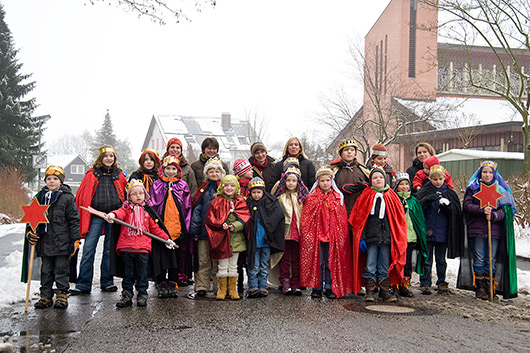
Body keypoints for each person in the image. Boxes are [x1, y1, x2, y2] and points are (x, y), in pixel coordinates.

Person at [106, 180, 175, 308]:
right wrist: (112, 215)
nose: (138, 196)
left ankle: (142, 295)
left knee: (142, 274)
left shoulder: (147, 212)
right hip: (126, 248)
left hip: (143, 249)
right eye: (134, 194)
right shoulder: (126, 210)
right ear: (129, 196)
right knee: (128, 274)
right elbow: (119, 214)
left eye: (140, 193)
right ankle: (127, 295)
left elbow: (156, 229)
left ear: (145, 195)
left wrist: (166, 239)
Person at [71, 145, 127, 295]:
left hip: (112, 217)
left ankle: (107, 282)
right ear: (100, 158)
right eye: (106, 156)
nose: (109, 158)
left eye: (111, 156)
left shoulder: (119, 175)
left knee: (109, 251)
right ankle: (83, 283)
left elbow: (124, 196)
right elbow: (83, 196)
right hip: (95, 215)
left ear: (114, 158)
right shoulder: (92, 174)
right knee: (89, 248)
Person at [458, 160, 518, 300]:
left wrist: (494, 215)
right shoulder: (474, 188)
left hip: (494, 230)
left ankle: (490, 287)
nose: (487, 175)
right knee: (479, 258)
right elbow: (467, 206)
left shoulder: (501, 190)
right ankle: (480, 288)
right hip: (477, 229)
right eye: (485, 172)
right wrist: (481, 210)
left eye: (490, 172)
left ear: (494, 174)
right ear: (480, 173)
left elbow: (506, 211)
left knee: (491, 259)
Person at [25, 166, 80, 309]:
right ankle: (45, 296)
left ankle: (62, 295)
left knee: (61, 270)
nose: (51, 181)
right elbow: (32, 219)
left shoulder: (67, 198)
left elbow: (74, 220)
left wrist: (75, 240)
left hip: (62, 242)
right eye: (48, 179)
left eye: (55, 179)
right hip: (45, 242)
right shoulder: (40, 198)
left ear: (61, 181)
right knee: (46, 270)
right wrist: (31, 232)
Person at [349, 168, 407, 302]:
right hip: (371, 238)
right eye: (375, 178)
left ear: (385, 179)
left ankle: (384, 291)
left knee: (384, 265)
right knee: (370, 264)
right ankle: (370, 291)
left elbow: (398, 220)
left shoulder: (392, 196)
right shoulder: (365, 195)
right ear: (371, 181)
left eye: (380, 177)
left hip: (387, 239)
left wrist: (395, 237)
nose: (378, 180)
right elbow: (359, 219)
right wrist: (361, 237)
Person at [300, 166, 353, 299]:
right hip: (317, 236)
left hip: (332, 236)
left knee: (331, 263)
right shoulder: (311, 198)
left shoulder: (337, 197)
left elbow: (341, 219)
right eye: (322, 180)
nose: (325, 183)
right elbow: (307, 218)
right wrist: (309, 234)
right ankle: (317, 288)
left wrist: (339, 235)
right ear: (318, 182)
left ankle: (329, 287)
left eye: (327, 180)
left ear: (331, 182)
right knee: (318, 262)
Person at [416, 165, 464, 295]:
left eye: (440, 179)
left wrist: (449, 209)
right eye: (435, 179)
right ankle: (425, 282)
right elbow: (417, 208)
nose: (437, 181)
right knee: (426, 259)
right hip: (427, 231)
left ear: (444, 178)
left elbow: (456, 213)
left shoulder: (450, 193)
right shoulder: (424, 191)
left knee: (441, 259)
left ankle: (442, 282)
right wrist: (426, 202)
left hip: (442, 232)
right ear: (430, 179)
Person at [150, 155, 192, 297]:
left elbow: (187, 206)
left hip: (177, 227)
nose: (171, 171)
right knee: (161, 256)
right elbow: (153, 205)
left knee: (175, 256)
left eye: (174, 168)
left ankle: (173, 282)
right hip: (162, 227)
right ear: (163, 169)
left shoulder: (182, 185)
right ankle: (161, 281)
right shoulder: (156, 184)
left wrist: (186, 226)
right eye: (168, 168)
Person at [205, 175, 250, 300]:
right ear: (221, 187)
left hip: (236, 239)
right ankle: (222, 290)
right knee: (222, 265)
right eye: (226, 185)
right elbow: (210, 219)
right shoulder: (216, 201)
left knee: (234, 265)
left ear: (236, 187)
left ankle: (233, 290)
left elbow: (245, 218)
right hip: (221, 238)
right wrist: (220, 224)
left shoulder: (240, 201)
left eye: (232, 185)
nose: (229, 188)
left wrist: (234, 226)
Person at [189, 158, 225, 297]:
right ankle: (201, 286)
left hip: (219, 233)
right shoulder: (202, 190)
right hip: (204, 232)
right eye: (211, 171)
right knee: (203, 260)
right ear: (206, 173)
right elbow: (197, 211)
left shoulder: (224, 189)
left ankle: (218, 287)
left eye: (217, 171)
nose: (214, 173)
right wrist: (195, 231)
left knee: (217, 261)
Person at [246, 177, 285, 298]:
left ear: (263, 191)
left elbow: (277, 218)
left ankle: (263, 286)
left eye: (259, 192)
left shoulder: (270, 203)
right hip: (253, 242)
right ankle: (253, 286)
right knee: (253, 265)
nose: (256, 195)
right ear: (250, 193)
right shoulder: (247, 204)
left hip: (266, 242)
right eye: (254, 192)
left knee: (263, 265)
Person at [273, 167, 308, 295]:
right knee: (284, 258)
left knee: (297, 259)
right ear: (284, 182)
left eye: (294, 181)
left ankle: (296, 282)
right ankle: (285, 281)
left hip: (298, 233)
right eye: (288, 180)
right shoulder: (280, 197)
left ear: (298, 182)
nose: (291, 183)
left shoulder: (303, 198)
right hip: (285, 233)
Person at [393, 172, 428, 297]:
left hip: (410, 237)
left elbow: (419, 220)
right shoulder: (393, 199)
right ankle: (395, 284)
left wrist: (420, 235)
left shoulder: (413, 201)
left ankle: (405, 285)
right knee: (397, 262)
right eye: (401, 184)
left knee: (407, 263)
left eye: (406, 184)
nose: (404, 187)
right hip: (397, 238)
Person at [330, 139, 369, 215]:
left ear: (355, 153)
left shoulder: (363, 170)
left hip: (359, 212)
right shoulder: (333, 170)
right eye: (346, 150)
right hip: (339, 211)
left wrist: (366, 186)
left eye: (352, 150)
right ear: (341, 153)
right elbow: (325, 187)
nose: (349, 152)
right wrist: (340, 188)